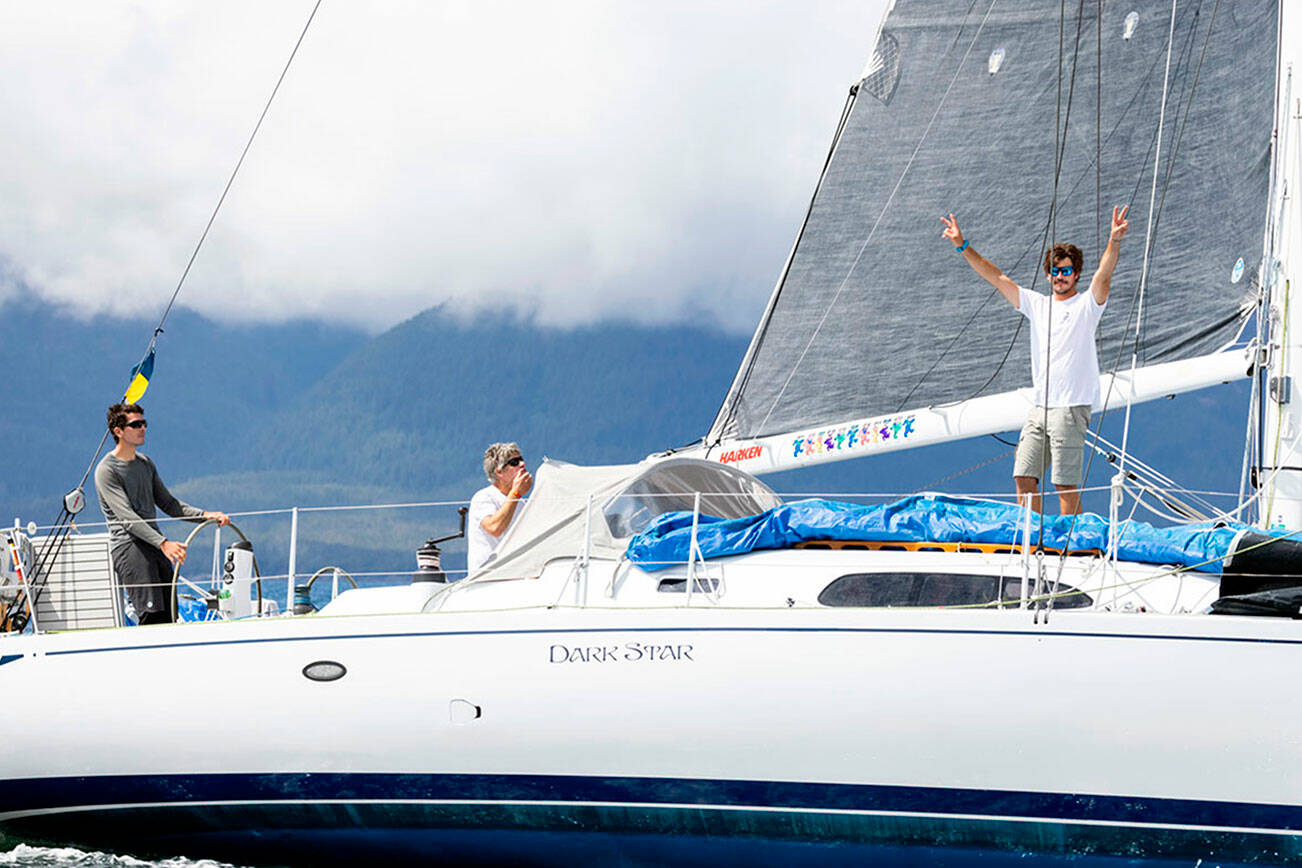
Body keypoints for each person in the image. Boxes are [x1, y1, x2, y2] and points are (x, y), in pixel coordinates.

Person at [940, 206, 1130, 514]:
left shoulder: (1087, 305)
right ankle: (1035, 542)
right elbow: (997, 277)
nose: (1060, 277)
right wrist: (963, 246)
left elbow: (1104, 276)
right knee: (1023, 476)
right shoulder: (1037, 305)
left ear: (1076, 273)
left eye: (1066, 271)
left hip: (1071, 406)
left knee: (1064, 484)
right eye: (1055, 271)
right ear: (1048, 275)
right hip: (1040, 406)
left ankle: (1074, 547)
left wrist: (1114, 241)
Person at [93, 403, 229, 624]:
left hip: (155, 546)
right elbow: (127, 519)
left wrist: (206, 515)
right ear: (118, 431)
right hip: (130, 547)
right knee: (151, 616)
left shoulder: (145, 464)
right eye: (135, 424)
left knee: (170, 614)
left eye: (144, 423)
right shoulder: (107, 470)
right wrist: (164, 543)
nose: (143, 428)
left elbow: (169, 503)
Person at [466, 442, 533, 573]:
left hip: (514, 573)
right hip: (486, 577)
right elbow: (494, 528)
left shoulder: (520, 502)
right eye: (514, 462)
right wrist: (516, 493)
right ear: (499, 472)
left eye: (521, 459)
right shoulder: (484, 497)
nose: (522, 464)